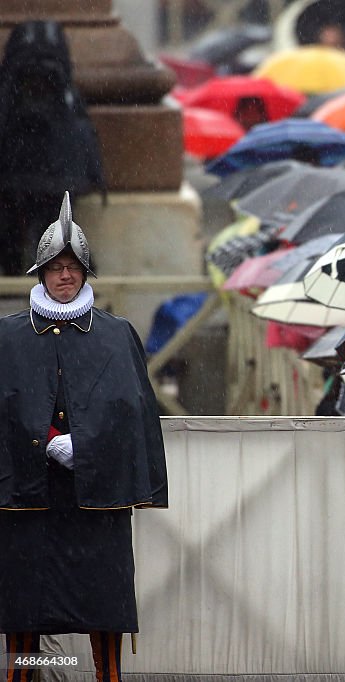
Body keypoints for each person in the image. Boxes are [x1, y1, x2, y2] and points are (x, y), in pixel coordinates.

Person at [1, 193, 168, 682]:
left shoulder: (117, 335)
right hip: (29, 499)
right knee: (25, 611)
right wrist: (43, 439)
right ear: (41, 272)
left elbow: (134, 413)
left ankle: (107, 676)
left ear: (86, 272)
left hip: (96, 500)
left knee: (102, 607)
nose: (65, 275)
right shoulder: (9, 337)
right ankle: (25, 675)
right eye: (55, 266)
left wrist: (87, 446)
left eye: (73, 266)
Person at [0, 21, 104, 275]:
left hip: (14, 173)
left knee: (13, 231)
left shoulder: (9, 94)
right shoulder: (69, 101)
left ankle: (16, 267)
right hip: (59, 175)